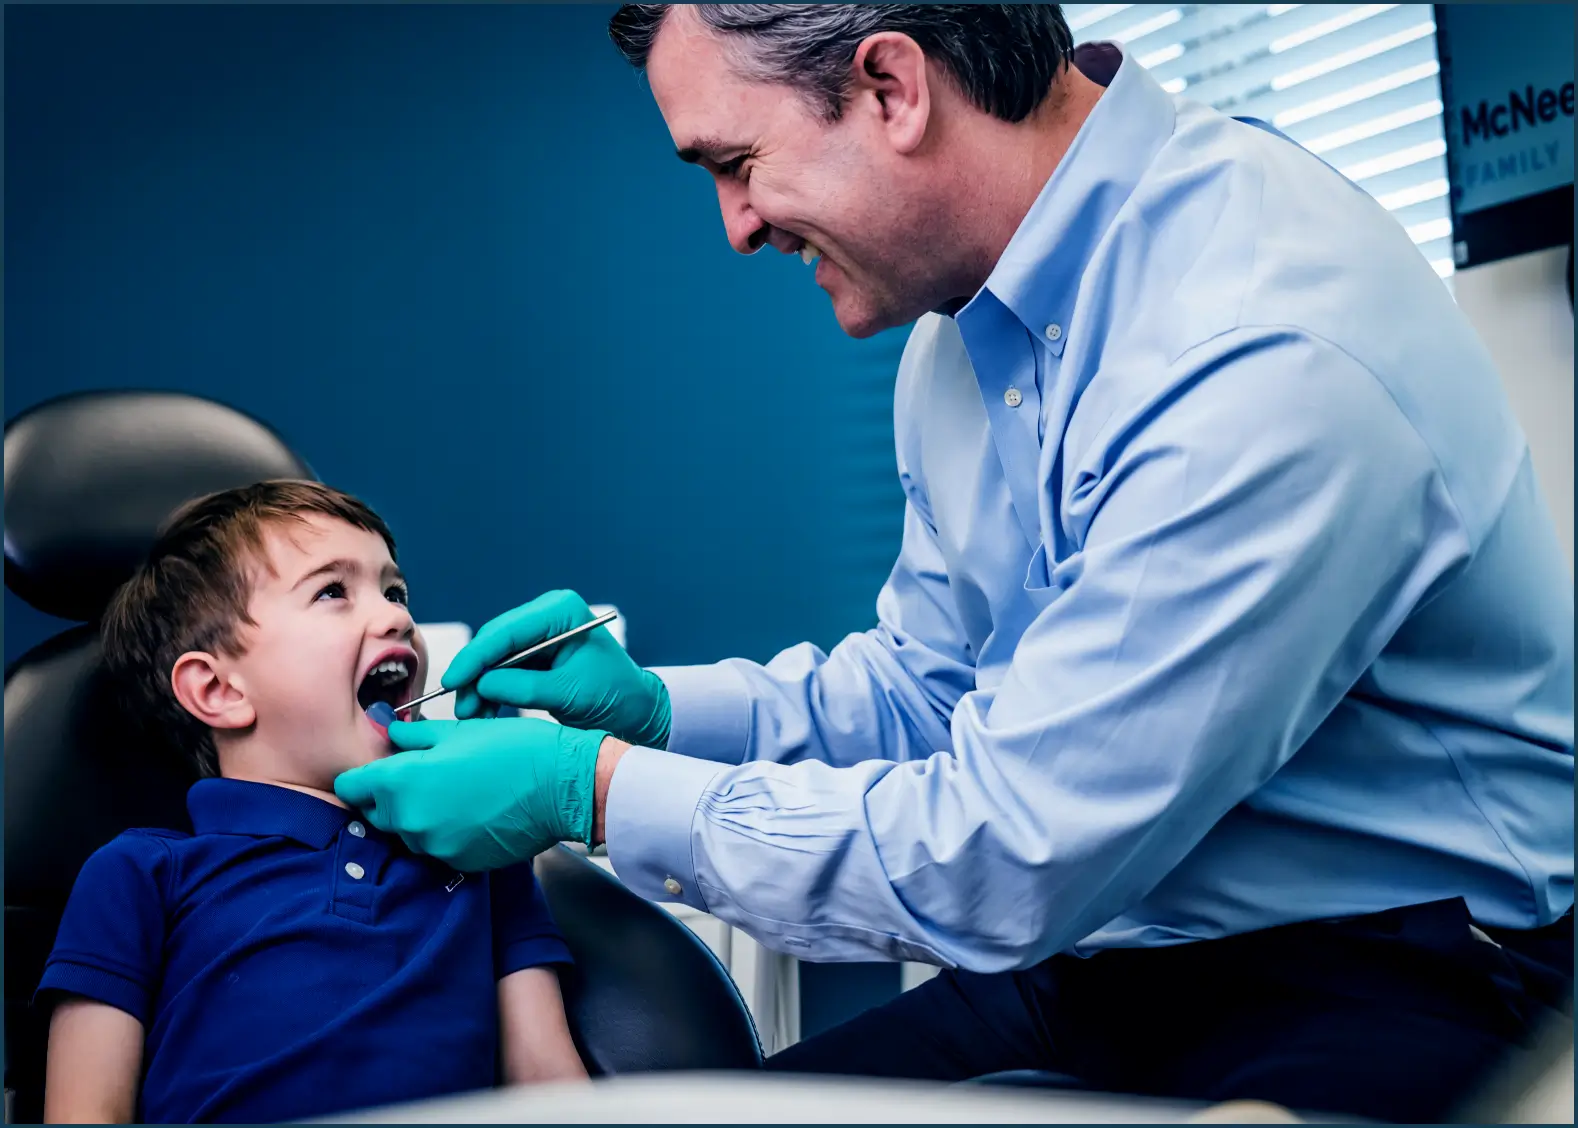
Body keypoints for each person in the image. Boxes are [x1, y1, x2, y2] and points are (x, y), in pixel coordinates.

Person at [334, 5, 1575, 1120]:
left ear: (891, 88)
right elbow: (932, 691)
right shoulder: (966, 337)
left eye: (738, 164)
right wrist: (661, 714)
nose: (736, 226)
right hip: (1106, 960)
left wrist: (591, 792)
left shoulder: (1256, 344)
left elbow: (1013, 846)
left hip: (1410, 979)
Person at [37, 481, 587, 1124]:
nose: (396, 619)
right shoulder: (138, 873)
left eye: (395, 591)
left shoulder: (483, 850)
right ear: (217, 689)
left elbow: (550, 1084)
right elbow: (83, 1115)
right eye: (333, 591)